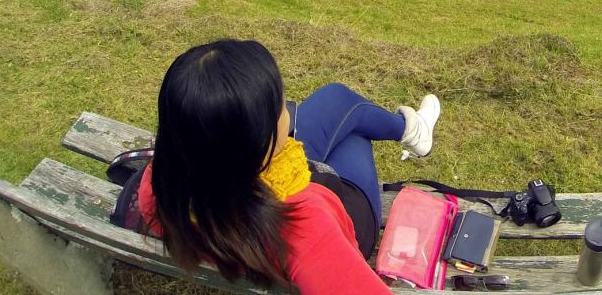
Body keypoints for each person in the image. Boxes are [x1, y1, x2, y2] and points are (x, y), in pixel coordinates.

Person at [117, 39, 440, 293]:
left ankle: (412, 130)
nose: (289, 110)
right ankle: (413, 131)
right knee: (351, 128)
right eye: (280, 106)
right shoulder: (304, 225)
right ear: (259, 140)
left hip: (255, 198)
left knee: (339, 104)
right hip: (349, 219)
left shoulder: (165, 179)